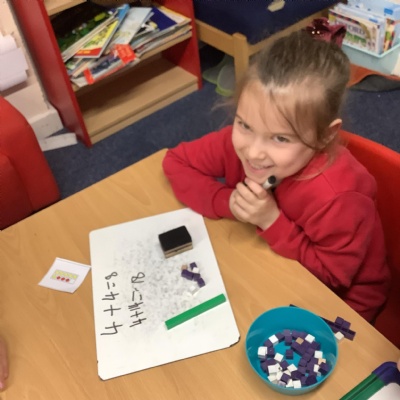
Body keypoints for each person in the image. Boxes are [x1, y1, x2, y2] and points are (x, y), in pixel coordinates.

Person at [162, 30, 390, 322]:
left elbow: (333, 277)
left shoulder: (337, 196)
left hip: (344, 302)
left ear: (324, 136)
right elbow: (176, 161)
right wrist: (228, 202)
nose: (253, 152)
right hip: (271, 261)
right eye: (244, 125)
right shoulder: (239, 144)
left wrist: (271, 221)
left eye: (280, 138)